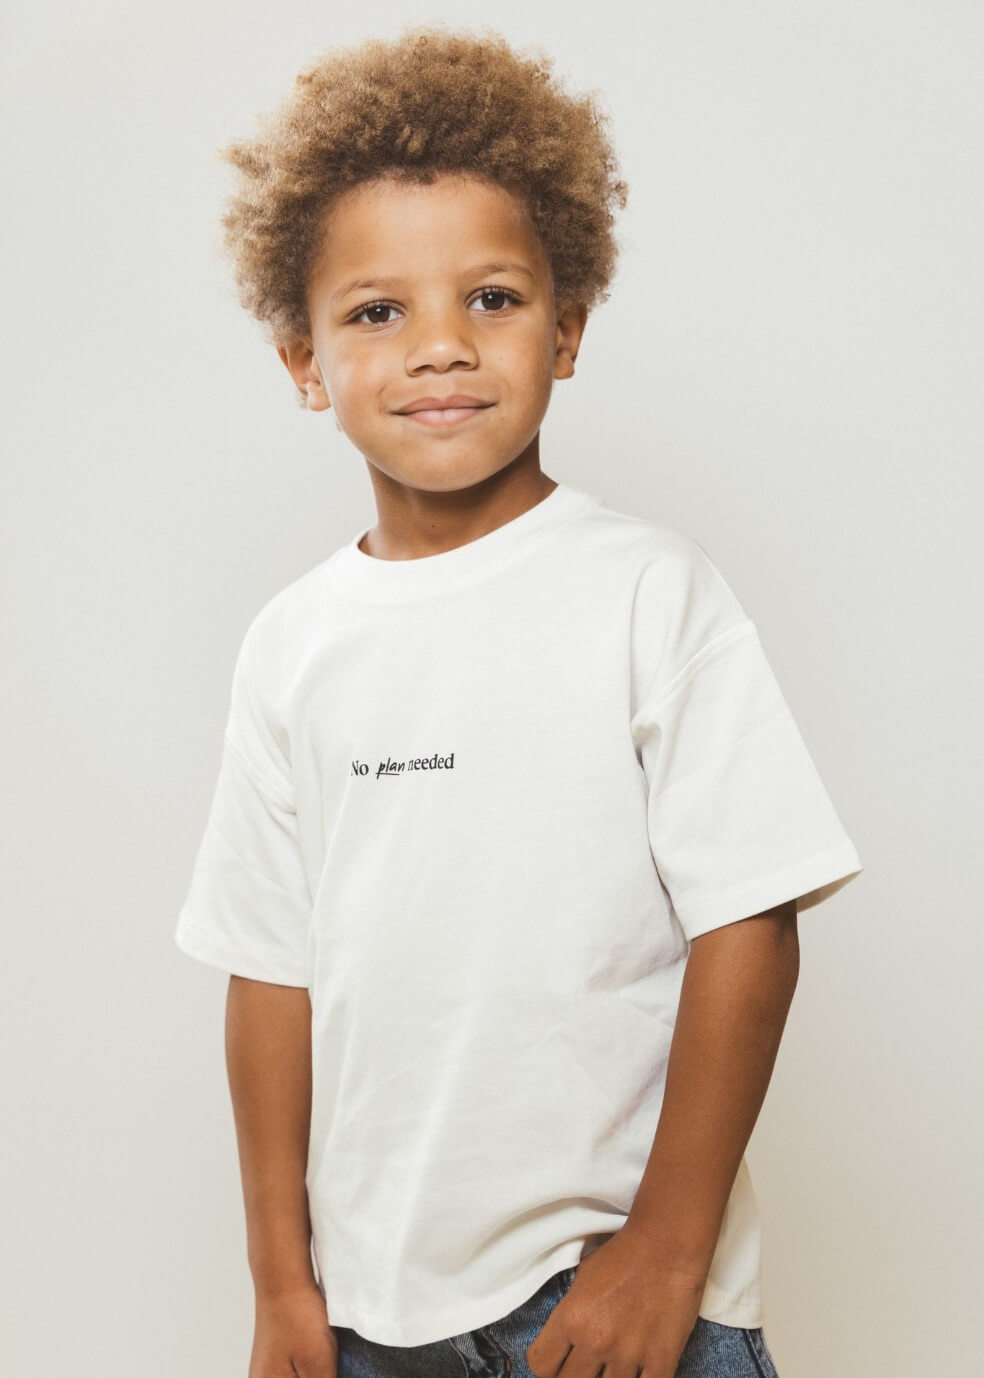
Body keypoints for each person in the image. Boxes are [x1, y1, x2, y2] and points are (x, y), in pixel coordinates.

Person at [174, 23, 863, 1378]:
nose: (440, 347)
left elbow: (752, 917)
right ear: (303, 362)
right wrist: (280, 1283)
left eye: (490, 298)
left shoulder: (648, 592)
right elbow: (269, 971)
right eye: (378, 312)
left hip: (614, 1291)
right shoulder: (293, 644)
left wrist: (666, 1251)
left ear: (569, 330)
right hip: (374, 1315)